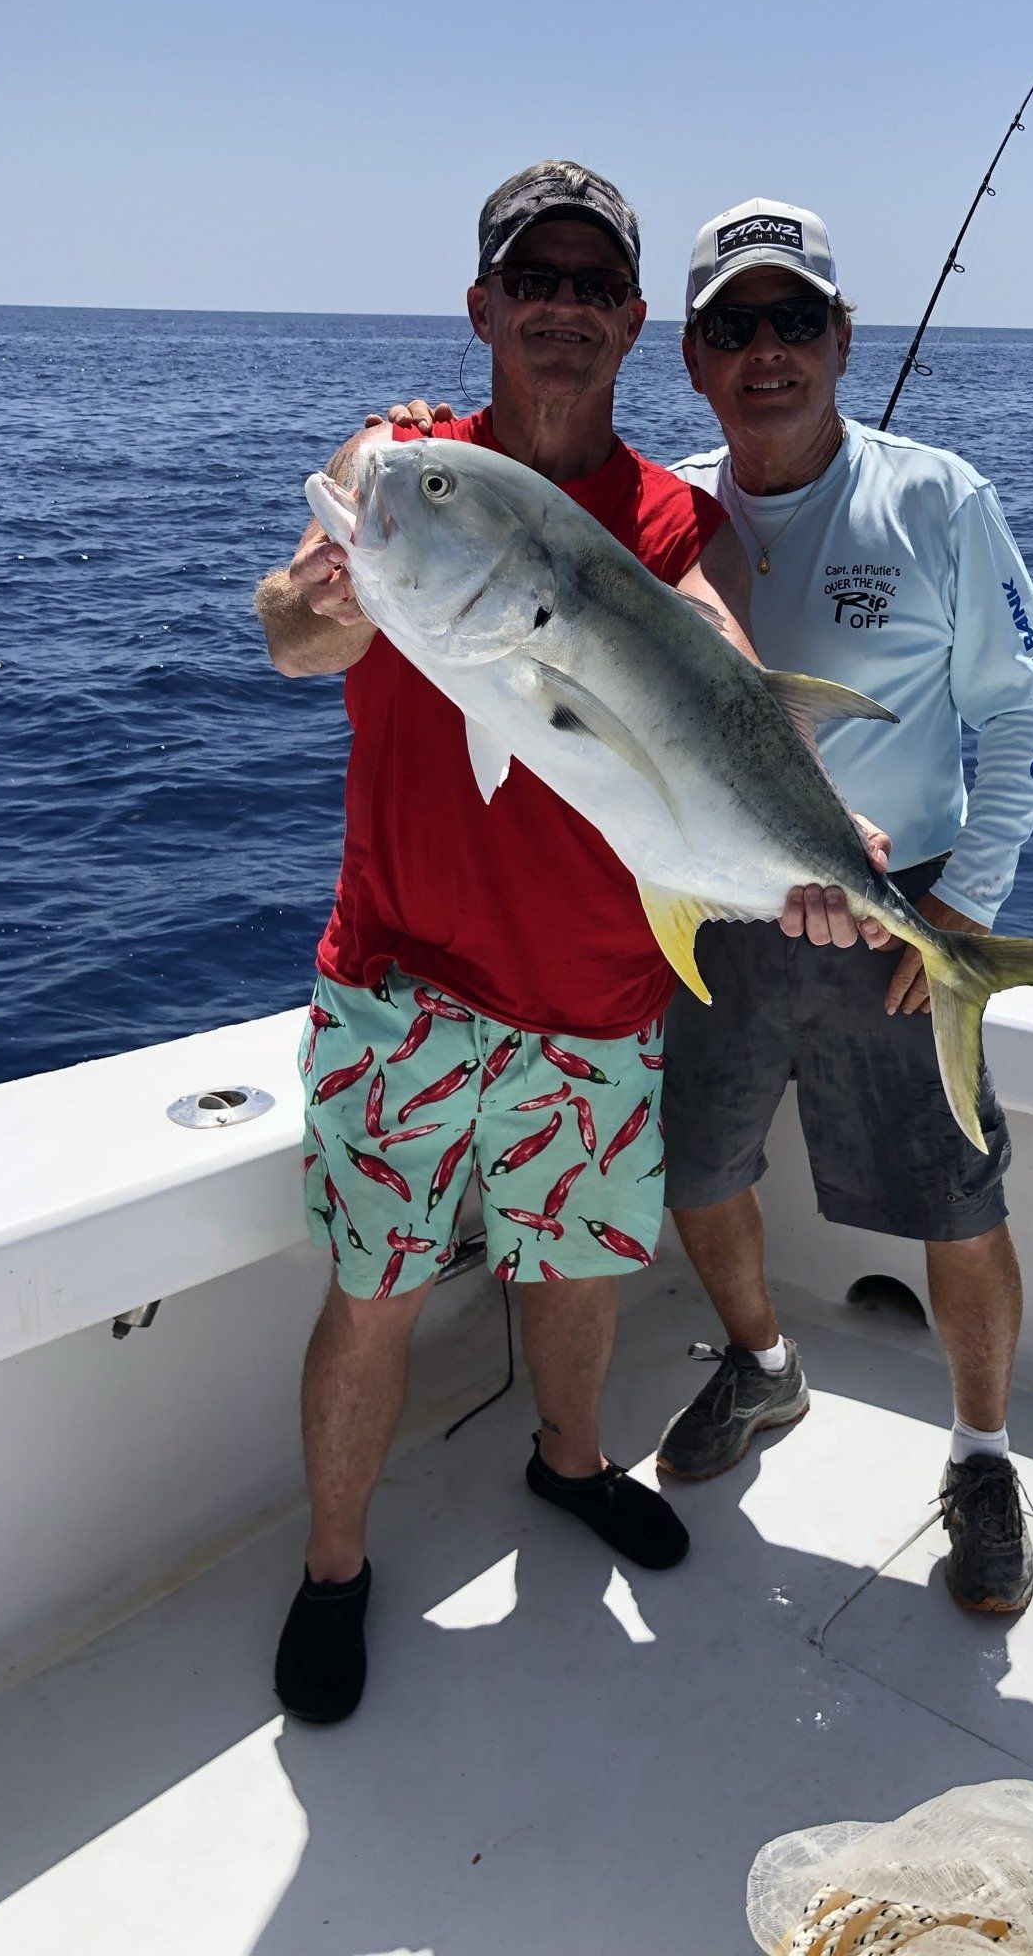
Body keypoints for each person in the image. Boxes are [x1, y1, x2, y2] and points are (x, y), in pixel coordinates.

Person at [253, 161, 759, 1724]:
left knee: (581, 1272)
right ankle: (335, 1565)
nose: (560, 308)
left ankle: (573, 1462)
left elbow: (716, 653)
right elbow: (288, 632)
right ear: (481, 306)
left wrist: (809, 824)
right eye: (531, 279)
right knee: (376, 1289)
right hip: (398, 983)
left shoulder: (667, 517)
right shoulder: (399, 472)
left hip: (597, 992)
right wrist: (332, 605)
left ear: (633, 321)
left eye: (592, 285)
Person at [656, 199, 1033, 1616]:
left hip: (902, 921)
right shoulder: (664, 514)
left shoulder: (938, 499)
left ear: (842, 339)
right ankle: (763, 1368)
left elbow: (1028, 710)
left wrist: (966, 908)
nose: (765, 350)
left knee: (957, 1202)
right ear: (692, 357)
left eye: (794, 319)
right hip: (713, 912)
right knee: (697, 1171)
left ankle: (983, 1457)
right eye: (733, 325)